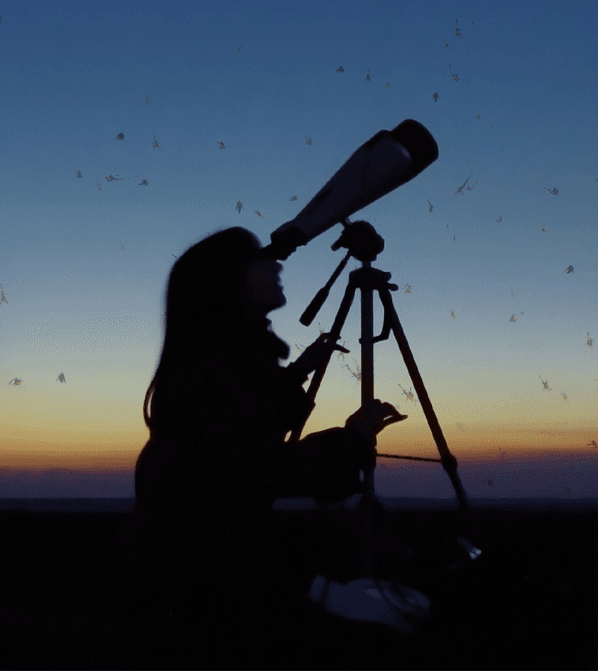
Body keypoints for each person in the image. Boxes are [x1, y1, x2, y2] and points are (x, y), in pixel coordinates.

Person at [133, 227, 408, 664]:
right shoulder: (225, 363)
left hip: (194, 573)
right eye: (259, 260)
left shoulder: (215, 358)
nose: (276, 265)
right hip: (210, 584)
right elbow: (255, 469)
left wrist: (299, 370)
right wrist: (353, 437)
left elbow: (246, 422)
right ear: (228, 282)